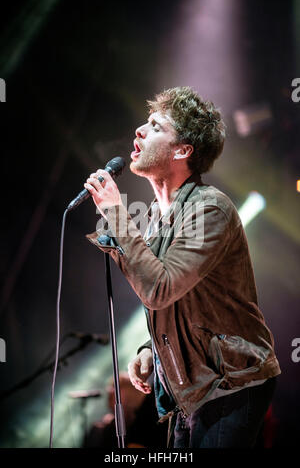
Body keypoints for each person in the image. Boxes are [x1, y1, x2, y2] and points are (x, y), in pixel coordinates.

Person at [84, 86, 281, 448]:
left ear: (182, 150)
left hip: (233, 381)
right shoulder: (158, 220)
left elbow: (159, 289)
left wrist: (114, 210)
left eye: (155, 126)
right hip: (191, 387)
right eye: (144, 123)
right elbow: (179, 302)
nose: (140, 131)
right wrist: (149, 348)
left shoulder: (209, 209)